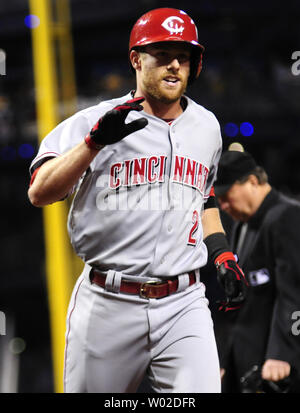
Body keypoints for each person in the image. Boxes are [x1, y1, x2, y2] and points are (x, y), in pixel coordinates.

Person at [28, 8, 246, 393]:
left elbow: (204, 196)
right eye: (162, 55)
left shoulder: (207, 126)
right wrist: (93, 143)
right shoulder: (92, 121)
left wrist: (223, 253)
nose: (175, 65)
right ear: (136, 59)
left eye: (184, 56)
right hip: (109, 302)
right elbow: (40, 191)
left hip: (184, 303)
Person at [214, 149, 300, 393]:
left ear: (252, 182)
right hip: (244, 360)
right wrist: (223, 357)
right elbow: (237, 301)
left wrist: (283, 353)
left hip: (272, 366)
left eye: (226, 195)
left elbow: (294, 293)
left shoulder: (287, 216)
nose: (222, 205)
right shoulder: (244, 224)